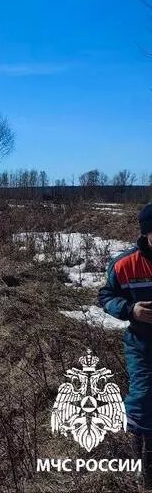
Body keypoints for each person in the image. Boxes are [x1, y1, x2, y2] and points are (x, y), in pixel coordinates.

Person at [99, 203, 152, 482]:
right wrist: (132, 310)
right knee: (143, 398)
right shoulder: (124, 263)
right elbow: (105, 297)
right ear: (147, 233)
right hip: (141, 342)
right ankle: (137, 458)